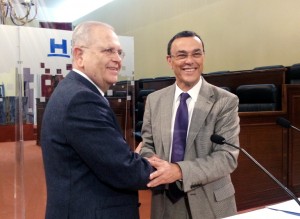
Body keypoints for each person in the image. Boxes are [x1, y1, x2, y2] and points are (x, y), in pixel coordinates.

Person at [41, 21, 153, 219]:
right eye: (108, 50)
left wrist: (128, 158)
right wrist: (178, 169)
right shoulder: (82, 99)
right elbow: (124, 171)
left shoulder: (74, 90)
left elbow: (103, 156)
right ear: (79, 55)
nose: (117, 59)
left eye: (119, 52)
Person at [139, 30, 240, 219]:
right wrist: (152, 161)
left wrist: (178, 171)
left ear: (203, 56)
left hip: (209, 201)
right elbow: (147, 144)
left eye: (196, 53)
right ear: (170, 60)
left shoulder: (225, 101)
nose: (190, 61)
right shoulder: (154, 100)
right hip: (165, 199)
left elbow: (227, 157)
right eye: (182, 55)